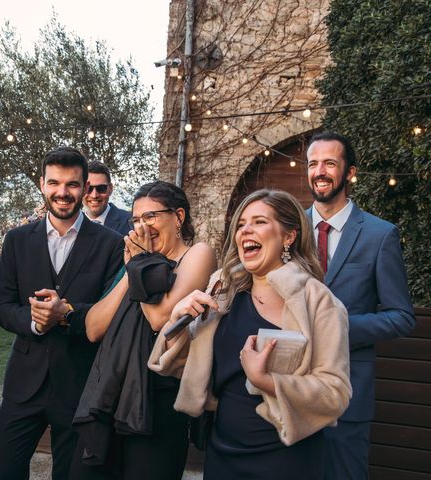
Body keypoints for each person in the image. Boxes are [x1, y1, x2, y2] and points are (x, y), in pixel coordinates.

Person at [148, 189, 352, 480]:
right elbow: (179, 365)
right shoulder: (223, 289)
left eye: (259, 222)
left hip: (286, 456)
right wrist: (178, 320)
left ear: (289, 236)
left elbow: (335, 393)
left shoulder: (318, 301)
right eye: (241, 224)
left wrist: (265, 381)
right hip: (223, 450)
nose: (245, 231)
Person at [0, 146, 124, 480]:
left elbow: (110, 313)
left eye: (72, 184)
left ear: (84, 186)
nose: (62, 193)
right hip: (24, 383)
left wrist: (66, 313)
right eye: (54, 183)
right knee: (3, 473)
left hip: (80, 383)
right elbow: (2, 307)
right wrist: (34, 322)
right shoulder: (17, 241)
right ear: (42, 184)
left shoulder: (110, 244)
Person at [72, 180, 216, 480]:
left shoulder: (197, 254)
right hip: (113, 394)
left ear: (178, 217)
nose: (142, 226)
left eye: (150, 216)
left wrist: (139, 263)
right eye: (136, 220)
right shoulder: (135, 263)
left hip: (160, 399)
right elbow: (93, 328)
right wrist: (131, 272)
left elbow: (161, 320)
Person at [305, 131, 416, 479]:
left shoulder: (380, 235)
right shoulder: (288, 231)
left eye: (329, 163)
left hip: (348, 393)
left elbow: (401, 317)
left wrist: (338, 327)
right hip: (287, 389)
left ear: (350, 172)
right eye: (312, 163)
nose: (319, 171)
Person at [83, 160, 131, 235]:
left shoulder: (130, 222)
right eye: (89, 188)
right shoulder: (71, 224)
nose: (94, 195)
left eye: (101, 188)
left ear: (110, 189)